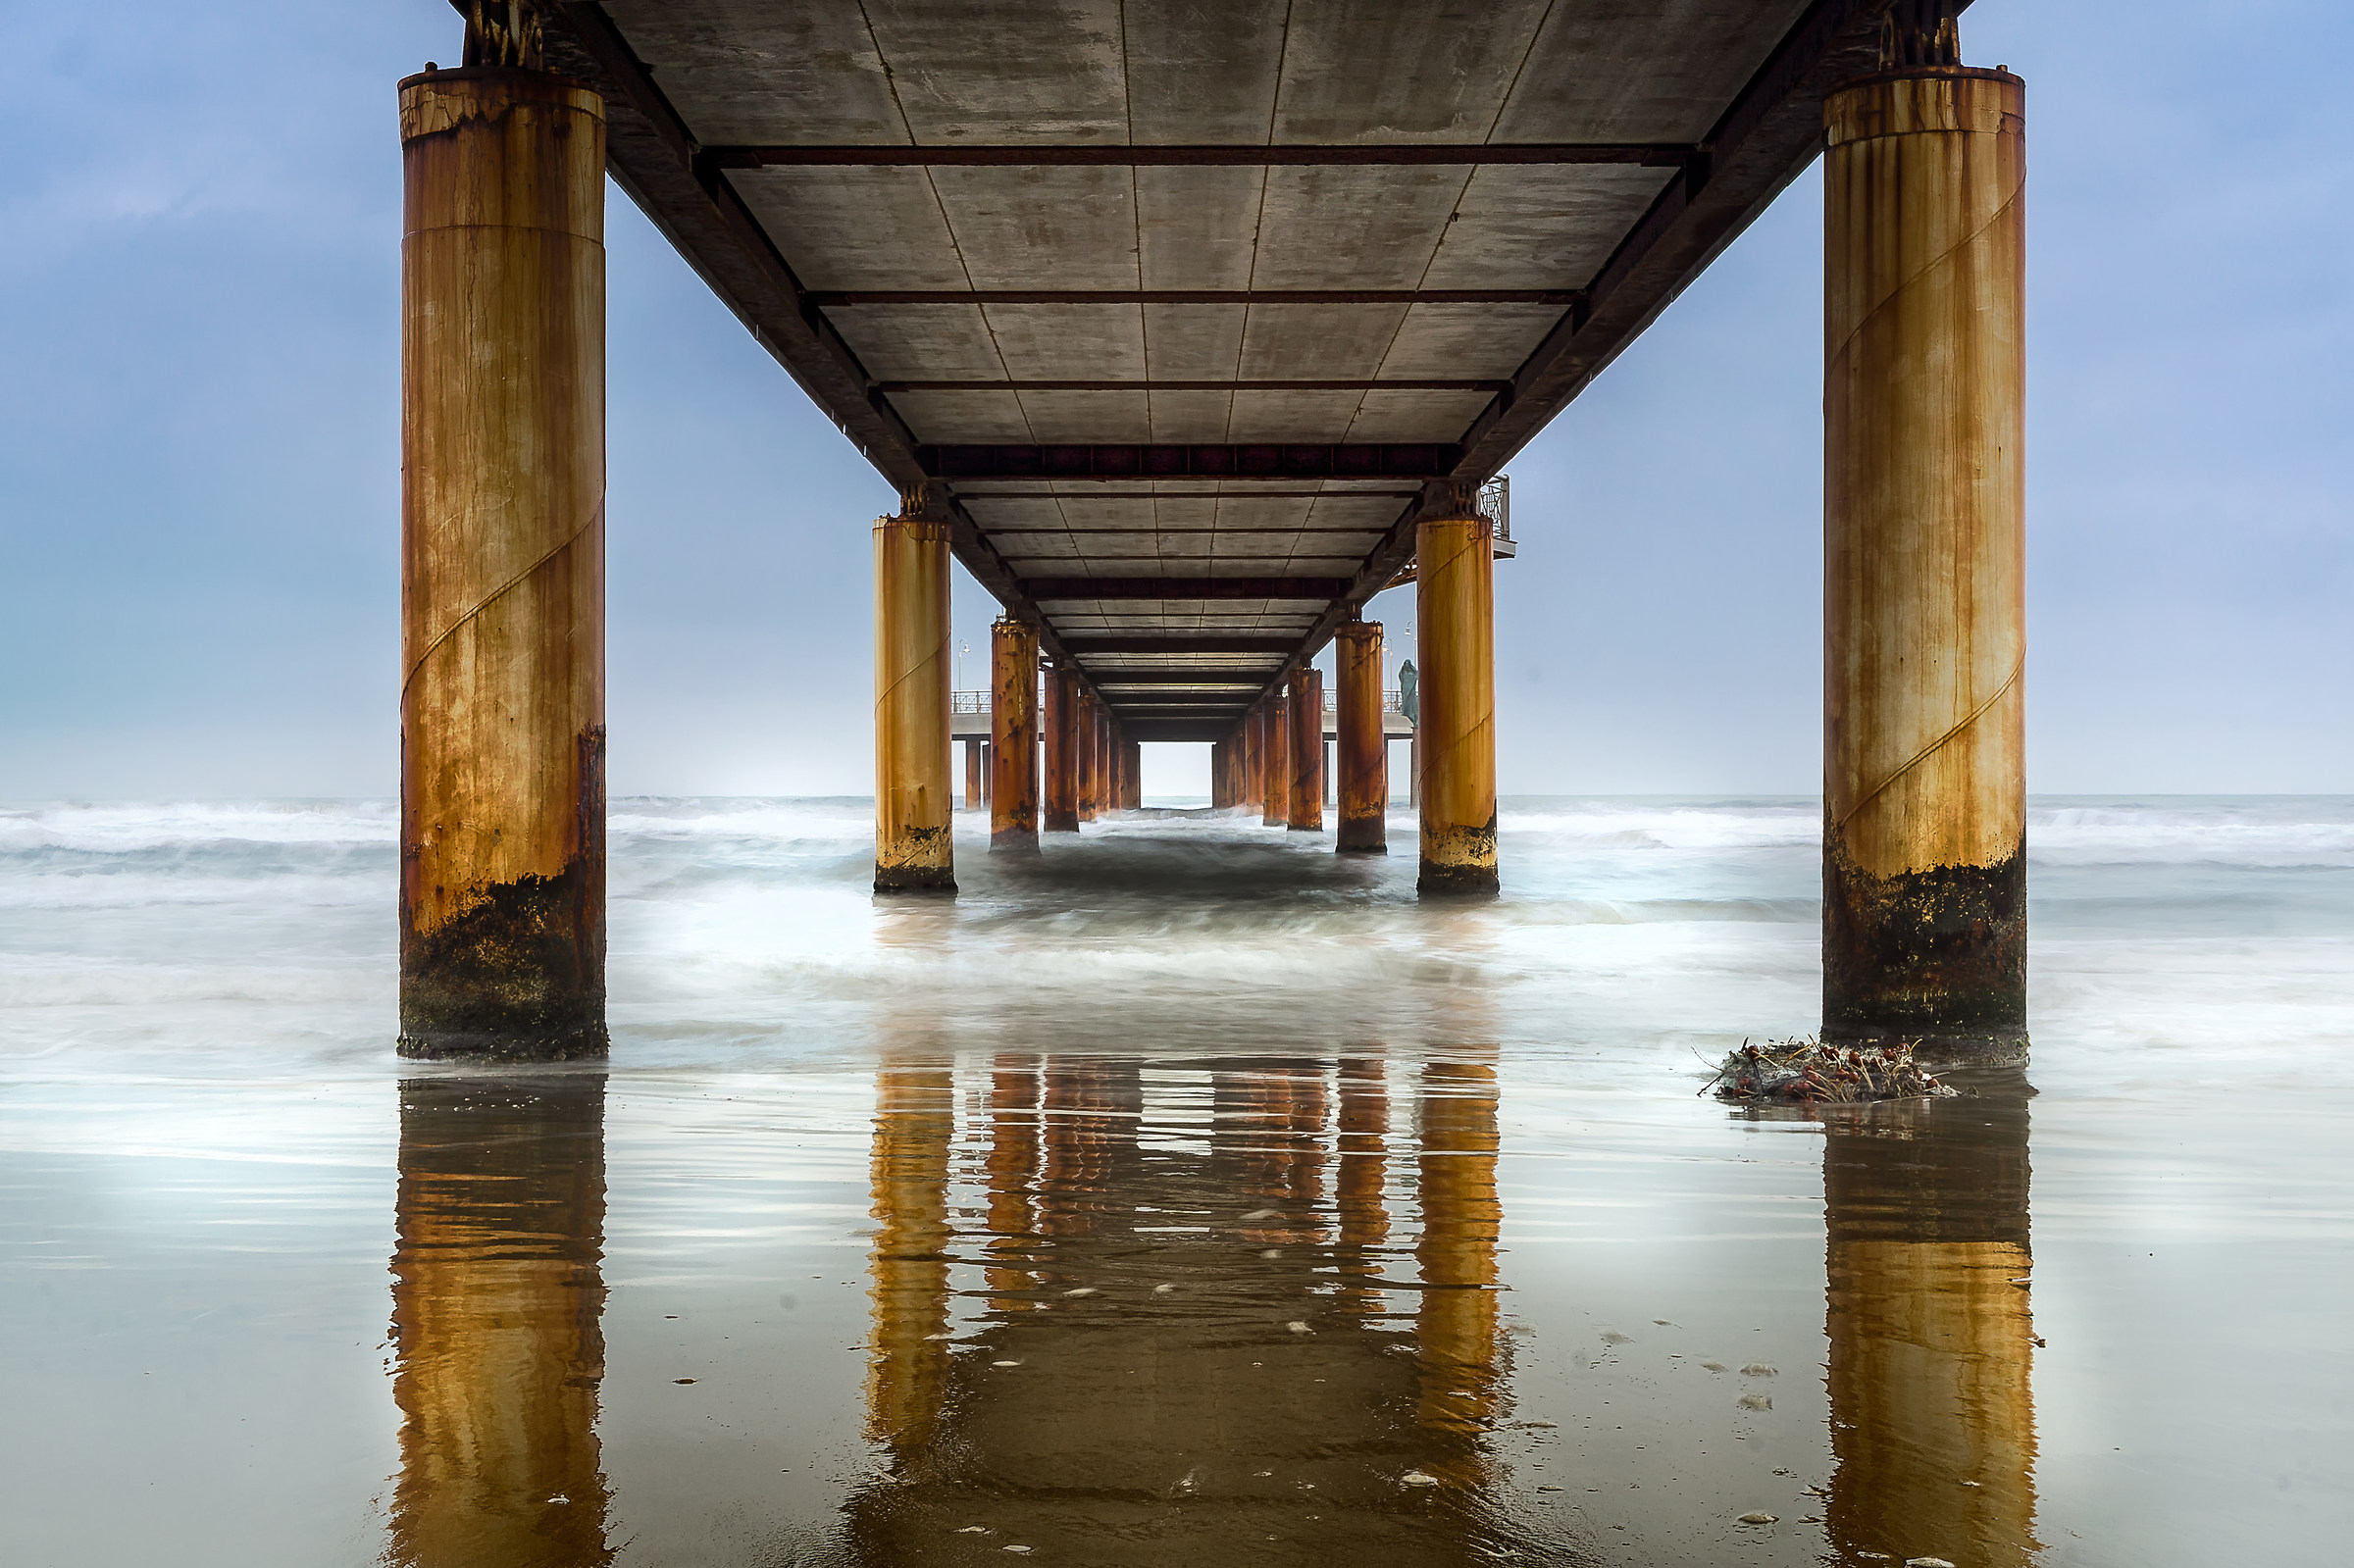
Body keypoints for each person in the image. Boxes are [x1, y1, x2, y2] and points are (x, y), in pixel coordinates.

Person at [1398, 659, 1418, 727]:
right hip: (1405, 694)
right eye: (1405, 663)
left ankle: (1416, 721)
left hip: (1412, 694)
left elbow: (1417, 675)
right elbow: (1401, 681)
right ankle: (1415, 722)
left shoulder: (1414, 673)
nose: (1406, 664)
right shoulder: (1402, 673)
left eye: (1408, 663)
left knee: (1414, 709)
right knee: (1406, 710)